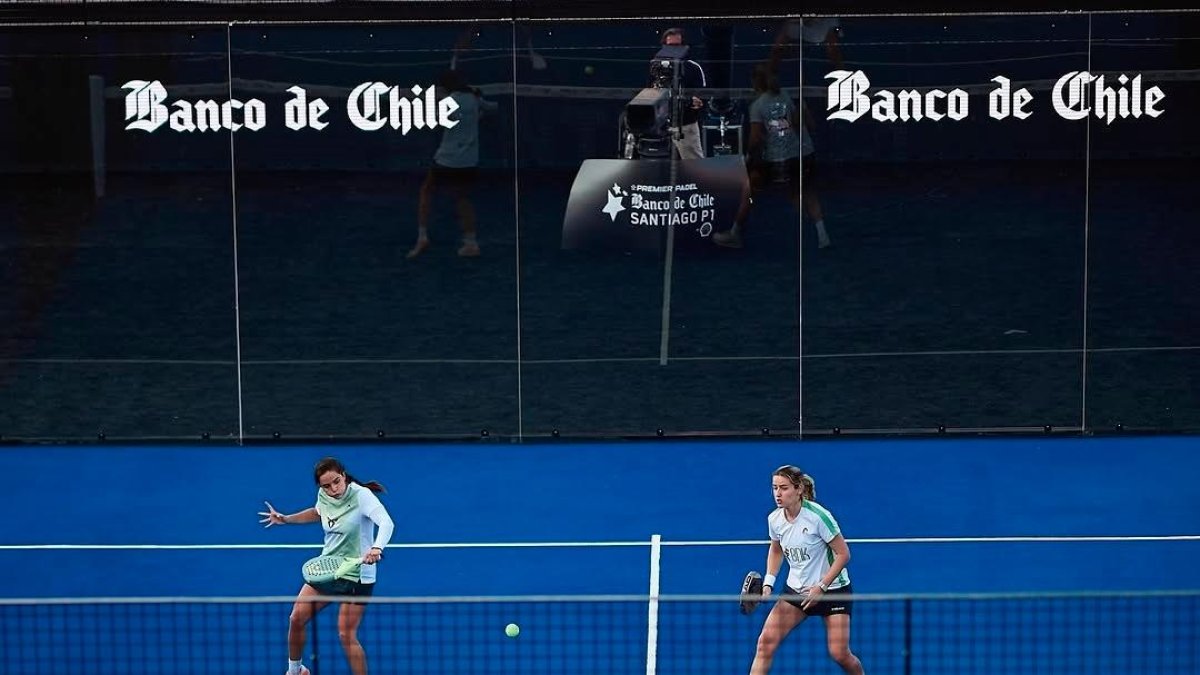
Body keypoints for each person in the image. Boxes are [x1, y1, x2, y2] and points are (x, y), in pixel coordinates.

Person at [259, 457, 395, 675]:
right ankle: (296, 671)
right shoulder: (324, 495)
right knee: (296, 618)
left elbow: (386, 522)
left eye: (336, 482)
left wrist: (377, 548)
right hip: (328, 569)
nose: (333, 489)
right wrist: (286, 519)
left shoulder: (362, 496)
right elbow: (318, 512)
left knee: (346, 634)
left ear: (344, 475)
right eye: (326, 486)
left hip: (357, 575)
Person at [749, 465, 864, 674]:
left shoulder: (819, 517)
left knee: (839, 653)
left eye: (784, 488)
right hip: (797, 591)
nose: (777, 494)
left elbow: (843, 554)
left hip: (832, 591)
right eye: (775, 488)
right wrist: (768, 584)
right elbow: (776, 550)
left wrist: (821, 587)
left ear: (799, 489)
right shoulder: (774, 519)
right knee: (765, 644)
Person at [712, 63, 830, 249]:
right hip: (804, 154)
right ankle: (822, 235)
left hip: (777, 160)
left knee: (750, 189)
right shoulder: (786, 95)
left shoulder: (757, 106)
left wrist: (747, 157)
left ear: (755, 83)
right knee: (807, 192)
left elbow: (755, 138)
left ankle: (735, 233)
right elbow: (804, 124)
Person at [405, 68, 498, 259]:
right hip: (469, 161)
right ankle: (471, 243)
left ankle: (422, 237)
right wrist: (477, 109)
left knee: (426, 191)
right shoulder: (474, 99)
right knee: (462, 198)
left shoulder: (448, 103)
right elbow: (492, 108)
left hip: (447, 159)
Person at [655, 27, 707, 159]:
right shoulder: (655, 67)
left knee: (694, 164)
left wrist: (696, 101)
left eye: (677, 46)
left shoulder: (693, 67)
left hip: (685, 124)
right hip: (660, 124)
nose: (673, 49)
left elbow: (701, 96)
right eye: (669, 45)